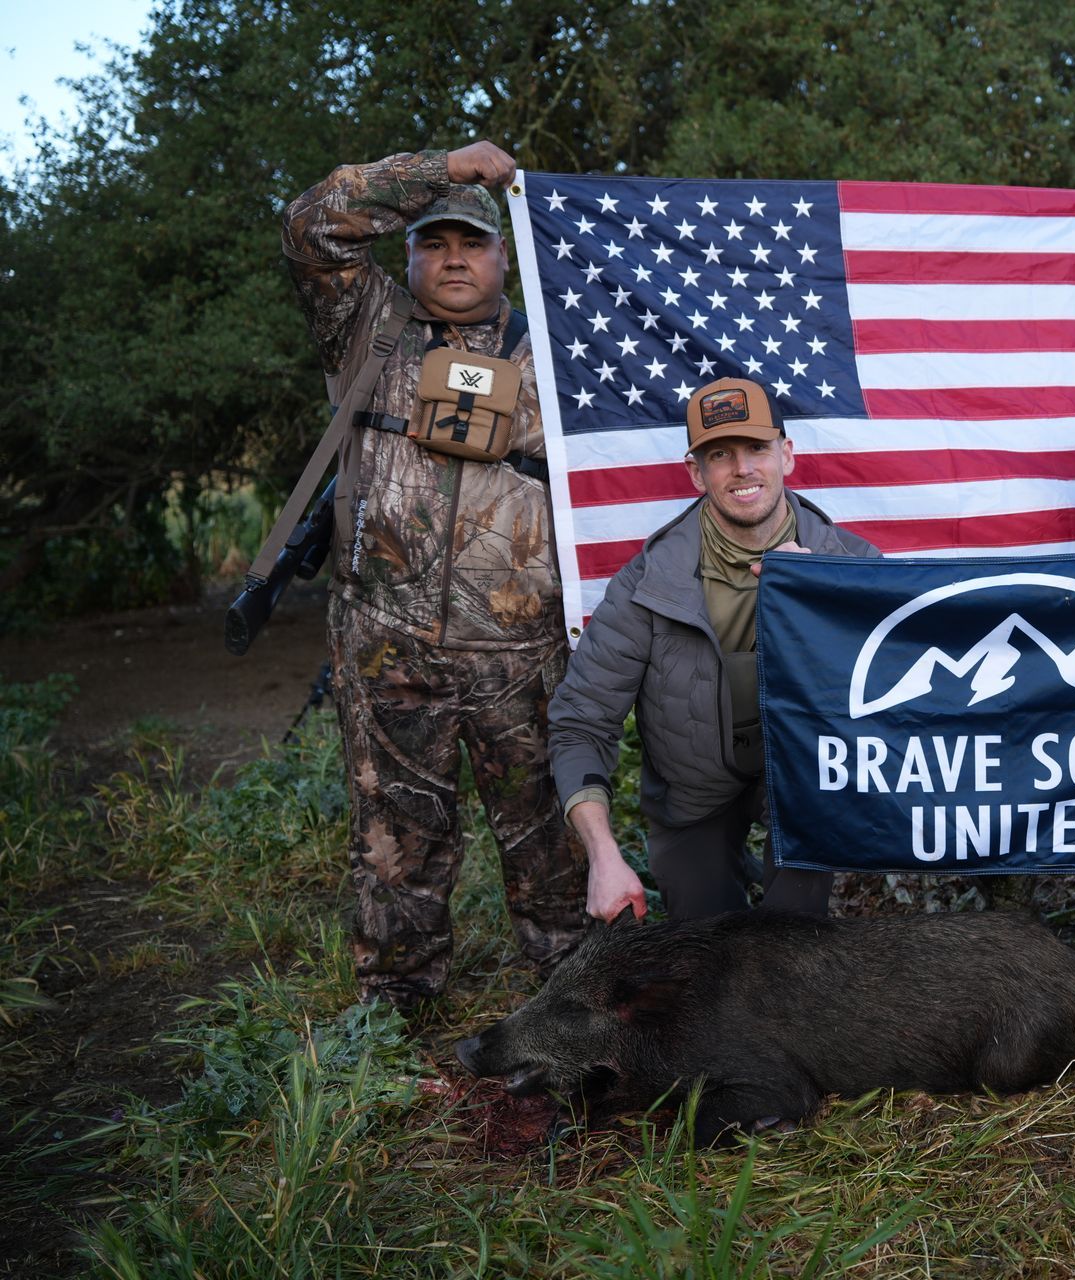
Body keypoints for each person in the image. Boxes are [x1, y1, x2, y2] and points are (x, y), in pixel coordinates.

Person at [282, 140, 585, 1007]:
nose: (453, 258)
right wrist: (441, 172)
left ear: (504, 256)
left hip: (523, 657)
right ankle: (396, 1016)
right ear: (408, 254)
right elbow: (311, 224)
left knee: (551, 847)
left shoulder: (556, 349)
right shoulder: (367, 325)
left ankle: (575, 1015)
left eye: (473, 244)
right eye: (433, 243)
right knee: (393, 850)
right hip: (389, 652)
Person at [548, 376, 881, 923]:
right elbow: (580, 721)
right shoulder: (650, 582)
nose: (743, 468)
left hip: (804, 787)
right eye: (720, 454)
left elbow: (905, 693)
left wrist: (823, 594)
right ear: (695, 472)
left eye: (757, 448)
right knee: (704, 951)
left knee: (789, 942)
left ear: (787, 455)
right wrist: (603, 856)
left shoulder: (849, 563)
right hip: (693, 788)